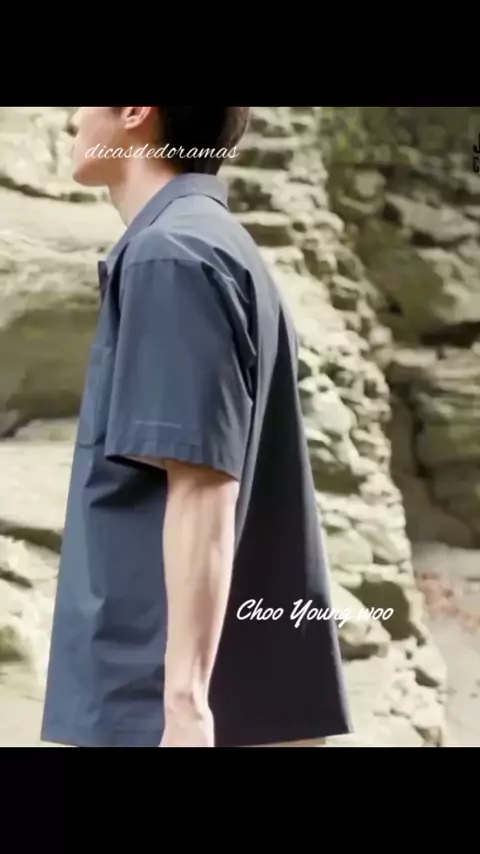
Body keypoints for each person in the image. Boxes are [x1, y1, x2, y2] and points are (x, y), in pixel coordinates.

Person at [40, 106, 352, 748]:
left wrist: (184, 706)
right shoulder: (216, 244)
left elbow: (203, 483)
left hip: (158, 709)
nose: (73, 118)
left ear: (135, 112)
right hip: (236, 699)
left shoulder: (170, 256)